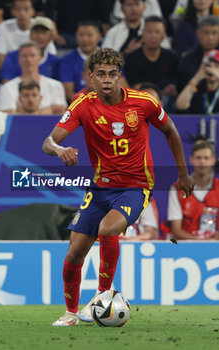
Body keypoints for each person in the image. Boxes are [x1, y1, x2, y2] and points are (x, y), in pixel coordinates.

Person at [42, 48, 194, 326]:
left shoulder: (143, 102)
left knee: (108, 229)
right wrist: (60, 149)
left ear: (120, 76)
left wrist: (182, 173)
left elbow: (170, 130)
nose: (107, 80)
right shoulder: (83, 105)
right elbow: (48, 141)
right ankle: (71, 313)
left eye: (113, 74)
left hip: (136, 187)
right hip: (100, 189)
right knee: (74, 253)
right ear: (91, 77)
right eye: (100, 74)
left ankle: (102, 296)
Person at [168, 140, 219, 240]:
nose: (202, 162)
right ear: (191, 160)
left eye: (206, 158)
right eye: (198, 158)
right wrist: (200, 243)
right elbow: (176, 229)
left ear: (213, 160)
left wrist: (214, 242)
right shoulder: (177, 189)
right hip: (187, 248)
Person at [0, 41, 67, 115]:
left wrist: (21, 112)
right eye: (24, 56)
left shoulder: (56, 86)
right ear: (19, 60)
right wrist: (47, 110)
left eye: (32, 55)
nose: (28, 59)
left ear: (40, 58)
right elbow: (7, 117)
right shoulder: (7, 88)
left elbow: (60, 113)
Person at [124, 16, 179, 100]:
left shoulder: (173, 57)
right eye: (149, 31)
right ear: (143, 33)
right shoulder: (131, 58)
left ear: (164, 35)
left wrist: (171, 88)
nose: (153, 35)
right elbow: (136, 88)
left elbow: (175, 85)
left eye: (157, 32)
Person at [0, 16, 59, 83]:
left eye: (44, 33)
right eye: (36, 32)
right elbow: (6, 84)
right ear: (30, 34)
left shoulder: (55, 62)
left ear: (50, 37)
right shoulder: (12, 57)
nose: (40, 36)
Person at [58, 21, 101, 103]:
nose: (85, 39)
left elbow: (121, 86)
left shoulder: (110, 58)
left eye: (89, 35)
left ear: (98, 36)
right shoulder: (67, 60)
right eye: (81, 35)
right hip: (81, 105)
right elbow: (69, 94)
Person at [178, 15, 219, 92]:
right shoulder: (188, 59)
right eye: (206, 33)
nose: (210, 37)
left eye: (214, 33)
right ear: (198, 34)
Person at [176, 49, 219, 114]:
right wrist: (197, 78)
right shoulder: (197, 87)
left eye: (217, 65)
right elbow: (181, 106)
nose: (211, 69)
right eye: (208, 65)